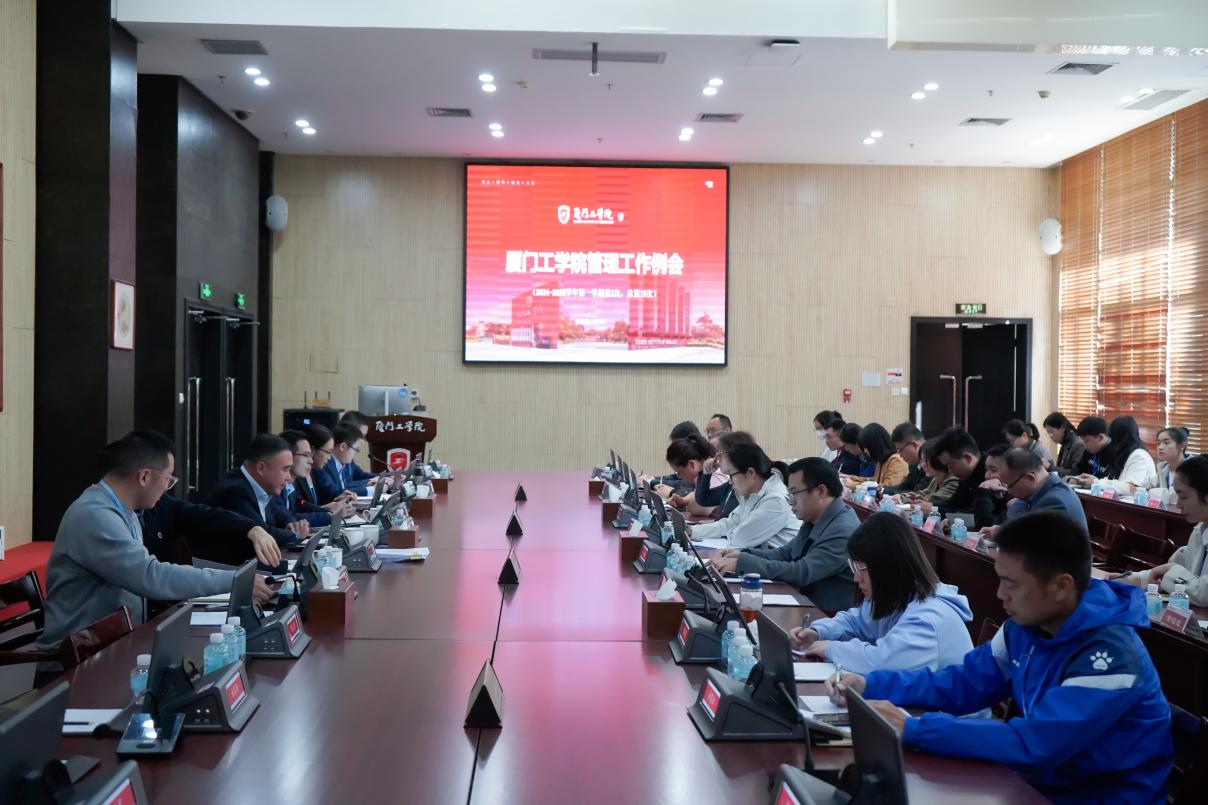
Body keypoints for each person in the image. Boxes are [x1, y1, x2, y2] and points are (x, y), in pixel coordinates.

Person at [827, 511, 1172, 805]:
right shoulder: (1025, 628)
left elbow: (1035, 743)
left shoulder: (1111, 657)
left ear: (1061, 587)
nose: (999, 593)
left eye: (1011, 583)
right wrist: (871, 684)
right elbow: (963, 683)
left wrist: (915, 729)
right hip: (1038, 784)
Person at [36, 431, 274, 653]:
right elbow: (150, 576)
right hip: (79, 662)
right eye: (168, 479)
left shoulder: (126, 511)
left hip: (115, 645)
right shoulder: (95, 515)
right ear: (145, 476)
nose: (167, 488)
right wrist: (234, 581)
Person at [790, 513, 974, 673]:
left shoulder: (928, 620)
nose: (856, 578)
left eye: (861, 568)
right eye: (854, 567)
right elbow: (856, 621)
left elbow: (882, 663)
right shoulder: (896, 596)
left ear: (888, 567)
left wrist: (832, 649)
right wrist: (818, 632)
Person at [711, 458, 857, 612]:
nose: (790, 501)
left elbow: (802, 572)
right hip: (805, 603)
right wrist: (742, 555)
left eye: (795, 493)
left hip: (825, 615)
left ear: (821, 491)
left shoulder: (843, 530)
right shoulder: (816, 517)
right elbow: (785, 553)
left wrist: (742, 563)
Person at [205, 434, 303, 566]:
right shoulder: (234, 491)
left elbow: (282, 515)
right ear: (261, 468)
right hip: (228, 572)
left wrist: (292, 524)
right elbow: (264, 533)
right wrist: (295, 535)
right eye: (285, 470)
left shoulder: (265, 487)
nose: (288, 477)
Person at [1125, 454, 1208, 606]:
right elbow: (1164, 573)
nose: (1178, 504)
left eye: (1184, 497)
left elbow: (1203, 593)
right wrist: (1134, 579)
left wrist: (1171, 570)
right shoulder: (1200, 531)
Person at [688, 443, 798, 550]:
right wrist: (691, 530)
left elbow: (741, 538)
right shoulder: (753, 493)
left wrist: (733, 529)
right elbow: (729, 524)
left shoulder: (775, 500)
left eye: (731, 474)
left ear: (750, 473)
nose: (730, 481)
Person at [923, 428, 998, 529]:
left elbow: (977, 517)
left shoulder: (990, 476)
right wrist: (933, 508)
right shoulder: (965, 476)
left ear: (967, 458)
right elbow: (954, 505)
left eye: (950, 465)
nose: (949, 471)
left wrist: (937, 511)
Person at [997, 448, 1088, 529]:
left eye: (1010, 485)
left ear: (1030, 478)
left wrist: (1015, 506)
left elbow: (1023, 536)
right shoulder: (1047, 491)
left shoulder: (1055, 501)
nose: (1009, 491)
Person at [683, 430, 755, 519]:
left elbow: (725, 520)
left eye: (720, 452)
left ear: (735, 454)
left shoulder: (743, 486)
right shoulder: (730, 485)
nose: (716, 458)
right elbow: (703, 500)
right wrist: (706, 474)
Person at [1070, 415, 1157, 490]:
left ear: (1121, 439)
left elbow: (1130, 487)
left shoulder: (1139, 456)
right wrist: (1095, 481)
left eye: (1113, 438)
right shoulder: (1123, 454)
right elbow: (1113, 481)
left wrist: (1096, 482)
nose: (1111, 443)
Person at [278, 429, 332, 527]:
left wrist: (328, 510)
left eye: (310, 455)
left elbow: (302, 506)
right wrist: (329, 515)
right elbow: (289, 518)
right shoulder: (275, 487)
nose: (311, 461)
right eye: (306, 455)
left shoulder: (291, 485)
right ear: (288, 455)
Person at [300, 424, 357, 515]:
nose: (330, 458)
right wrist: (329, 513)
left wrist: (333, 503)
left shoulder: (310, 473)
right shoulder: (299, 476)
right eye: (328, 452)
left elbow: (311, 507)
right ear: (313, 450)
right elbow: (296, 514)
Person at [314, 423, 374, 502]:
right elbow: (333, 492)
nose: (357, 453)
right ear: (342, 447)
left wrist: (370, 483)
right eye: (356, 449)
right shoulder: (324, 463)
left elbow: (346, 485)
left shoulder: (341, 462)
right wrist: (370, 489)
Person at [845, 423, 909, 488]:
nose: (865, 451)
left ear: (875, 444)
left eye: (866, 447)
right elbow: (875, 481)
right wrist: (852, 478)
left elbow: (888, 488)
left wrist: (856, 486)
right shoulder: (881, 460)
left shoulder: (896, 460)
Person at [661, 433, 714, 508]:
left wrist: (686, 501)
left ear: (692, 464)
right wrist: (684, 500)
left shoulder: (713, 476)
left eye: (679, 473)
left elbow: (701, 507)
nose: (680, 477)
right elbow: (695, 493)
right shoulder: (702, 477)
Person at [885, 423, 927, 495]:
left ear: (914, 445)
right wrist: (880, 490)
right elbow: (904, 486)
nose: (900, 456)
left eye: (900, 450)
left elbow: (916, 494)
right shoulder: (915, 463)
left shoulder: (933, 463)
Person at [1043, 411, 1086, 478]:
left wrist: (1050, 467)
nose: (1050, 436)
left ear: (1062, 428)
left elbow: (1076, 474)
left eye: (1051, 431)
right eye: (1048, 433)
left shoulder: (1078, 445)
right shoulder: (1065, 442)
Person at [1155, 426, 1191, 490]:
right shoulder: (1163, 467)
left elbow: (1175, 494)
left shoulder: (1193, 469)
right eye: (1158, 443)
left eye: (1166, 443)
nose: (1160, 447)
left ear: (1182, 446)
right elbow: (1148, 482)